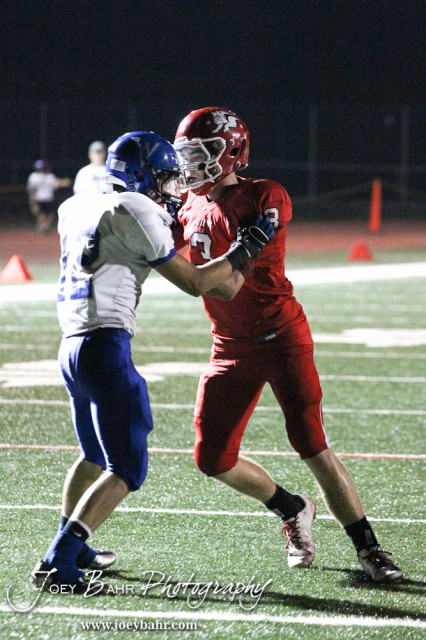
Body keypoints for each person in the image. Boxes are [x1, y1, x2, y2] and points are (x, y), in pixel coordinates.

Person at [30, 130, 275, 593]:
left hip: (72, 346)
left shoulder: (77, 206)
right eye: (165, 178)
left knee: (92, 455)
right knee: (127, 467)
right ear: (143, 176)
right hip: (105, 347)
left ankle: (73, 546)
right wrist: (248, 246)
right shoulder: (137, 208)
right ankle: (58, 559)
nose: (172, 187)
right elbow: (196, 283)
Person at [171, 106, 403, 583]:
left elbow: (227, 287)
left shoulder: (263, 195)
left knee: (311, 444)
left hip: (281, 337)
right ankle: (291, 508)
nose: (191, 163)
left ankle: (369, 548)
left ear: (232, 151)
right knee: (212, 459)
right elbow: (163, 255)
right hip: (229, 345)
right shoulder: (187, 204)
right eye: (187, 153)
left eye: (202, 152)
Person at [26, 160, 71, 232]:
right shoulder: (46, 176)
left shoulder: (38, 176)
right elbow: (56, 185)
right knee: (43, 213)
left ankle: (43, 225)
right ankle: (43, 225)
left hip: (45, 198)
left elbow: (55, 185)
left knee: (45, 213)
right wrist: (63, 182)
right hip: (43, 198)